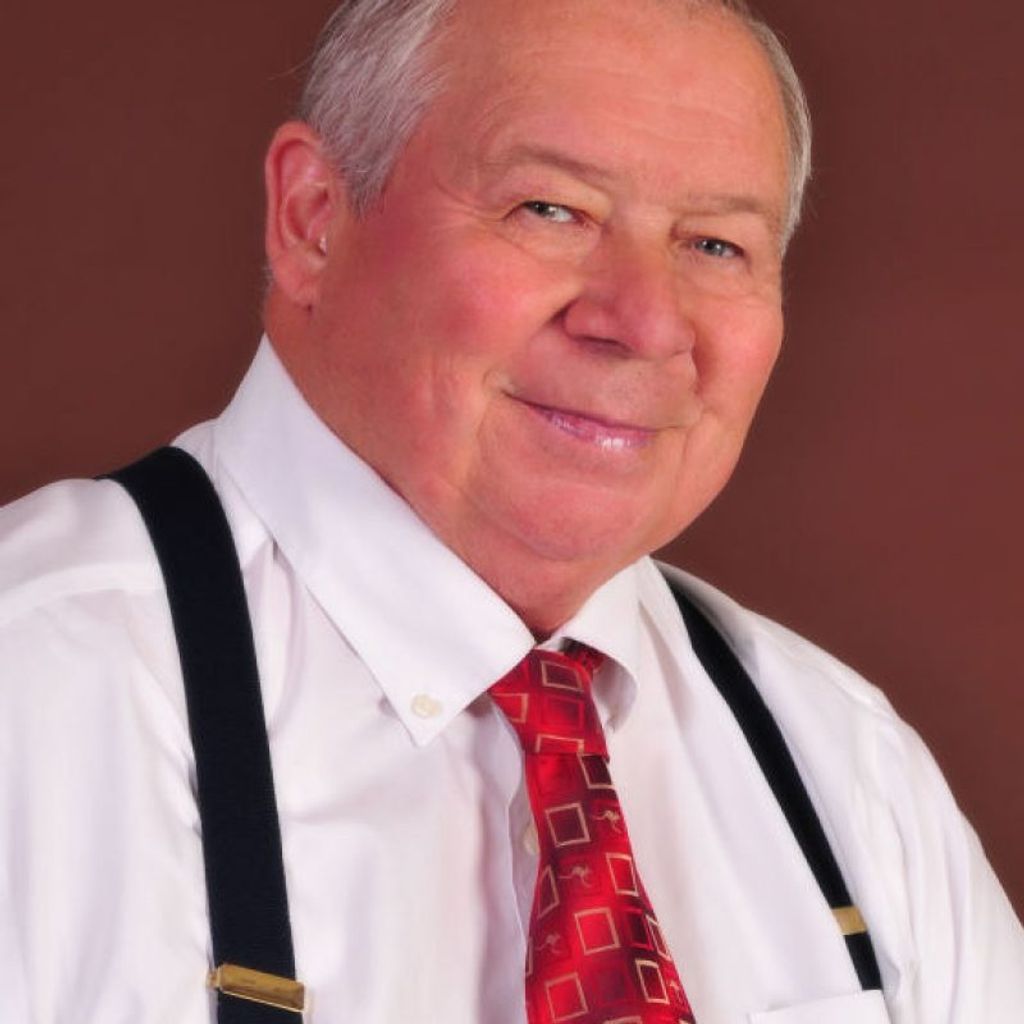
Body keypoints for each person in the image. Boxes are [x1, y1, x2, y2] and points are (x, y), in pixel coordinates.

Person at [1, 0, 1021, 1021]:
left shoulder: (845, 769)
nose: (644, 322)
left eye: (715, 245)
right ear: (313, 218)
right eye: (551, 210)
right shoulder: (34, 695)